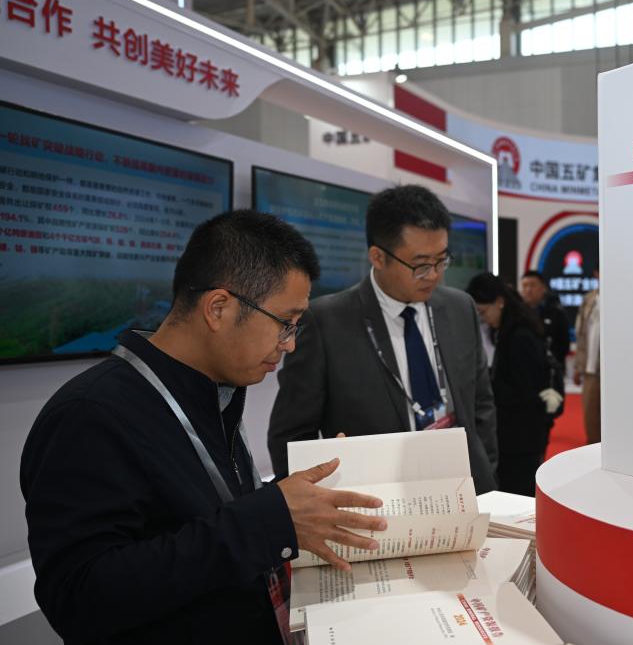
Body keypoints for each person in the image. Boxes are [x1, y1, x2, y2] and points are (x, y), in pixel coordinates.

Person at [20, 210, 388, 645]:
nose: (289, 344)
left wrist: (298, 499)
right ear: (218, 308)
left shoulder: (216, 392)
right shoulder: (89, 415)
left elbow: (206, 517)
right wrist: (268, 519)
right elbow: (79, 599)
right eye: (284, 323)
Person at [268, 185, 498, 493]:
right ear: (378, 257)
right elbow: (292, 436)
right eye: (420, 265)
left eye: (441, 260)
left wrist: (484, 474)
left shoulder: (459, 308)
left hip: (465, 490)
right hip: (377, 502)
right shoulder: (327, 322)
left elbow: (481, 405)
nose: (433, 275)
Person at [467, 272, 550, 496]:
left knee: (518, 493)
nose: (483, 319)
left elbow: (526, 390)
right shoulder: (507, 330)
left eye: (483, 312)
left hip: (521, 435)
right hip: (515, 432)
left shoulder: (520, 336)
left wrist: (486, 390)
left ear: (499, 302)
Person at [520, 270, 571, 371]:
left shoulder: (556, 313)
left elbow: (563, 345)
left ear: (543, 288)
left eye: (532, 285)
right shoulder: (517, 314)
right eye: (525, 286)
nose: (528, 290)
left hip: (550, 370)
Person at [574, 267, 601, 444]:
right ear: (596, 273)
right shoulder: (589, 299)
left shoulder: (623, 298)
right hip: (590, 370)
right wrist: (578, 366)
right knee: (591, 420)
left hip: (615, 372)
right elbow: (581, 334)